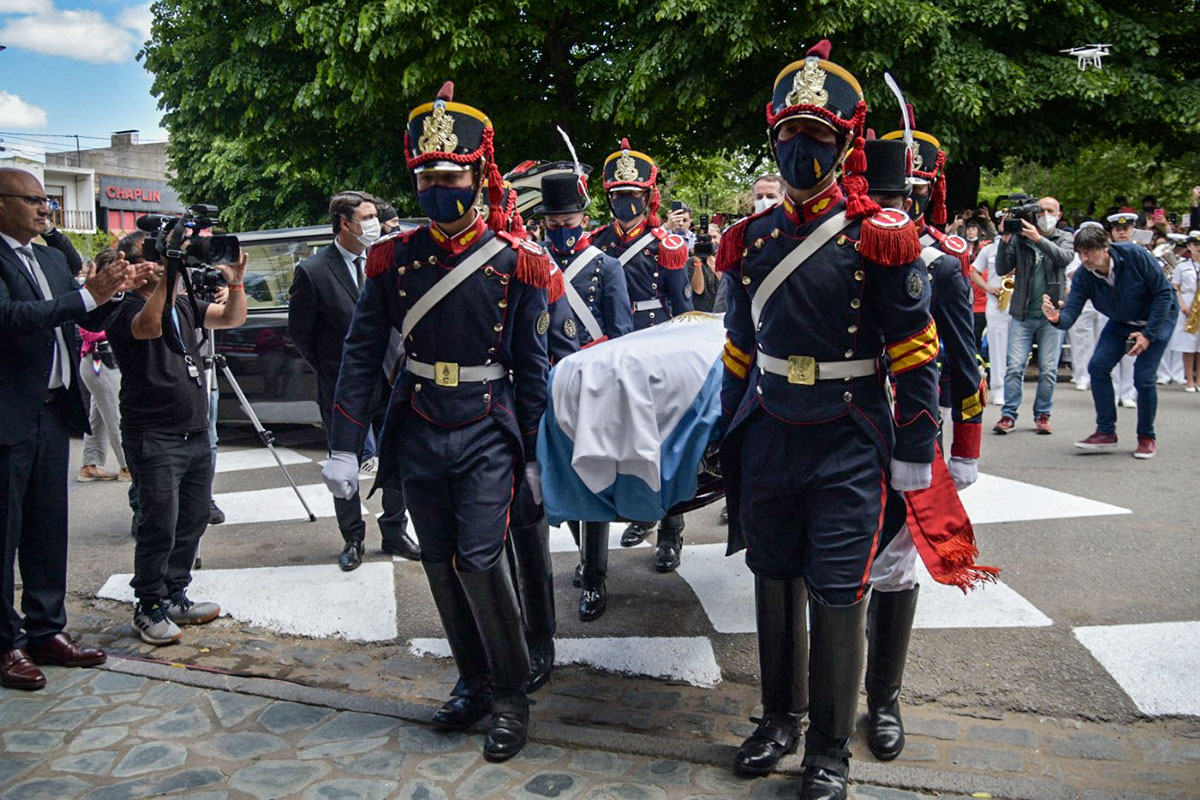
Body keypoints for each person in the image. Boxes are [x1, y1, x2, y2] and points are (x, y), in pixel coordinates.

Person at [717, 43, 940, 798]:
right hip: (772, 426)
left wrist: (917, 447)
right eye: (789, 134)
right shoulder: (748, 240)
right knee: (771, 576)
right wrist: (726, 433)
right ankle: (778, 717)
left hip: (848, 434)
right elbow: (739, 349)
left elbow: (914, 350)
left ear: (845, 144)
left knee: (840, 589)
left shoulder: (880, 235)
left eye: (818, 136)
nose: (799, 149)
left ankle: (829, 751)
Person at [321, 82, 552, 762]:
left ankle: (511, 696)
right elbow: (361, 355)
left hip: (486, 425)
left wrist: (537, 456)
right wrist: (341, 445)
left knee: (481, 560)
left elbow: (531, 367)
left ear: (478, 177)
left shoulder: (518, 260)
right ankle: (474, 681)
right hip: (419, 422)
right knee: (441, 566)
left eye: (448, 176)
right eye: (424, 177)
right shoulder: (393, 259)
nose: (435, 189)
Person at [864, 124, 984, 763]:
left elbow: (964, 365)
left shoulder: (941, 262)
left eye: (905, 195)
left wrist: (965, 446)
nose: (893, 207)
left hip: (909, 428)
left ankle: (883, 696)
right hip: (844, 422)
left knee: (892, 561)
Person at [0, 167, 137, 690]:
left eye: (46, 201)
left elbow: (86, 322)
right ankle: (5, 644)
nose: (44, 209)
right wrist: (86, 297)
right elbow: (12, 316)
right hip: (10, 410)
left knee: (46, 527)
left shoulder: (53, 258)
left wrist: (116, 295)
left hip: (54, 409)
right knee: (5, 531)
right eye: (32, 200)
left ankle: (46, 630)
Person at [103, 231, 244, 644]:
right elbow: (147, 327)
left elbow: (231, 319)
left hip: (195, 431)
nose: (173, 262)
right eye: (160, 257)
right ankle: (147, 605)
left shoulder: (183, 302)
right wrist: (169, 274)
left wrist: (235, 282)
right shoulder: (121, 306)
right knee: (158, 524)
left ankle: (175, 594)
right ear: (132, 264)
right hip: (154, 434)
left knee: (194, 518)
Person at [288, 191, 420, 569]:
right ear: (345, 224)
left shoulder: (386, 260)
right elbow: (301, 334)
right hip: (343, 386)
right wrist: (334, 369)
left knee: (400, 455)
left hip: (393, 378)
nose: (374, 223)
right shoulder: (312, 271)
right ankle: (353, 539)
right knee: (342, 460)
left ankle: (395, 528)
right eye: (366, 217)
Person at [591, 140, 691, 569]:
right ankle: (640, 513)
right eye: (618, 196)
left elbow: (683, 307)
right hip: (611, 348)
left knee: (664, 444)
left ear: (647, 197)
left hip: (654, 347)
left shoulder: (665, 244)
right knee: (621, 443)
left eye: (633, 196)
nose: (625, 203)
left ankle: (671, 530)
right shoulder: (596, 241)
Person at [539, 166, 633, 622]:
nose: (561, 230)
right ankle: (583, 558)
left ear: (582, 217)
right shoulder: (532, 263)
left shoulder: (606, 266)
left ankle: (595, 576)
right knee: (559, 480)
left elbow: (621, 334)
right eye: (554, 224)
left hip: (592, 387)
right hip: (544, 384)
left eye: (569, 221)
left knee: (590, 482)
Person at [1046, 225, 1177, 459]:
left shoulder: (1134, 256)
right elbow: (1071, 312)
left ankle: (1146, 437)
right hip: (1122, 320)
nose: (1084, 258)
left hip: (1158, 318)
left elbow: (1164, 294)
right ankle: (1106, 431)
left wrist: (1148, 334)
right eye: (1080, 253)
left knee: (1143, 378)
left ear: (1105, 247)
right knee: (1097, 367)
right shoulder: (1084, 276)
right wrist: (1057, 318)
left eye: (1089, 252)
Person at [992, 198, 1074, 435]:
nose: (1045, 214)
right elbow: (1001, 268)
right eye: (1041, 211)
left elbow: (1065, 258)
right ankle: (1008, 415)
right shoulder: (1020, 238)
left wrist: (1039, 238)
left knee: (1048, 369)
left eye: (1050, 211)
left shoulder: (1064, 237)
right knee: (1015, 367)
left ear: (1059, 215)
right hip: (1022, 312)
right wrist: (1005, 239)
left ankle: (1043, 415)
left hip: (1052, 315)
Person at [77, 251, 130, 483]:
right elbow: (88, 330)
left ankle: (90, 464)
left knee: (97, 415)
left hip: (100, 361)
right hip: (99, 361)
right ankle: (127, 466)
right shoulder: (92, 295)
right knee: (116, 413)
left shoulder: (116, 295)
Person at [970, 236, 1007, 405]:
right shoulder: (990, 249)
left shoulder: (1025, 246)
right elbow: (973, 271)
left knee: (1017, 351)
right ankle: (998, 389)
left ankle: (1013, 388)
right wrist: (988, 288)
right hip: (997, 304)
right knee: (997, 348)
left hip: (1020, 304)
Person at [1169, 231, 1200, 391]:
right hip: (1188, 303)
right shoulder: (1183, 266)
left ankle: (1199, 380)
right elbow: (1176, 288)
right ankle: (1189, 379)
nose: (1198, 248)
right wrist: (1182, 305)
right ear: (1189, 246)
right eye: (1195, 245)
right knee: (1188, 343)